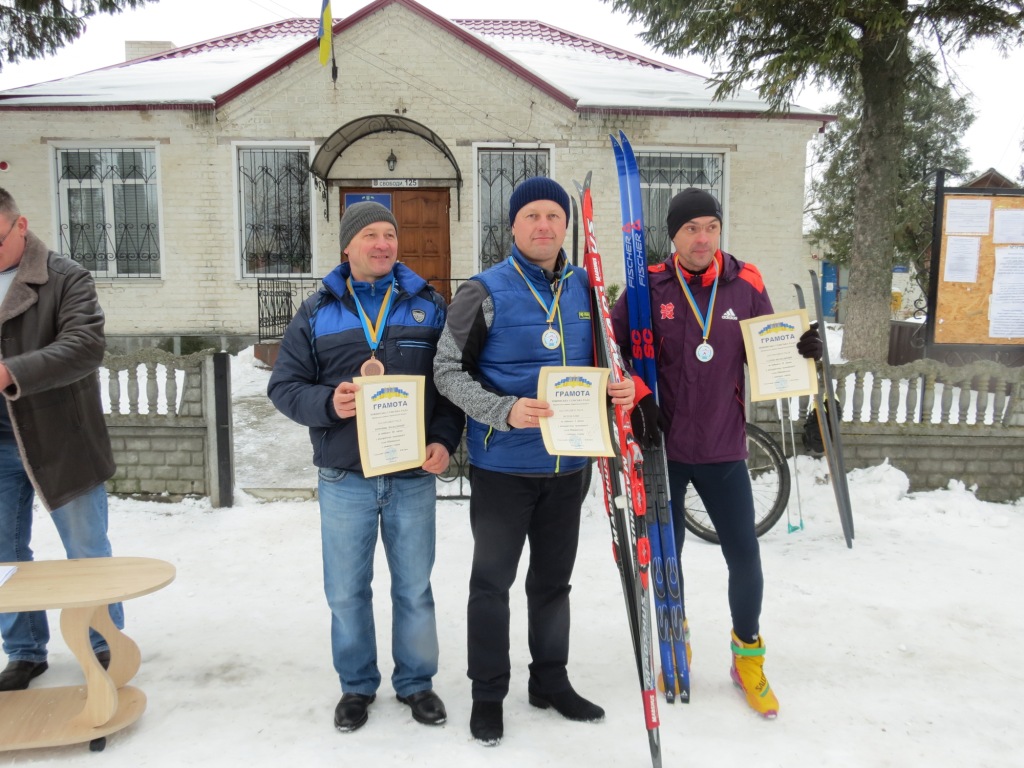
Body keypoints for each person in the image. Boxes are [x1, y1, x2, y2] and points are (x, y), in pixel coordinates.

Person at [434, 177, 636, 746]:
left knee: (553, 584)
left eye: (554, 215)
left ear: (566, 226)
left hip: (568, 468)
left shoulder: (589, 288)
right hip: (504, 469)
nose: (543, 225)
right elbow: (446, 372)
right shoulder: (484, 291)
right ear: (514, 226)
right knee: (491, 584)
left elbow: (609, 364)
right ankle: (487, 693)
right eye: (532, 216)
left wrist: (620, 389)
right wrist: (502, 410)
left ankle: (550, 680)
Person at [611, 187, 822, 719]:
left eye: (711, 226)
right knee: (668, 557)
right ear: (673, 236)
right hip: (665, 446)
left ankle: (747, 656)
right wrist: (638, 397)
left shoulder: (746, 283)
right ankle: (673, 638)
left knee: (744, 556)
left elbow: (766, 348)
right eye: (691, 229)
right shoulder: (647, 285)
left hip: (725, 446)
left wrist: (802, 353)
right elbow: (609, 349)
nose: (702, 238)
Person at [268, 201, 463, 734]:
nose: (382, 244)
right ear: (347, 246)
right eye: (370, 235)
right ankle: (356, 686)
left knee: (414, 587)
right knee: (347, 591)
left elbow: (449, 386)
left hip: (411, 477)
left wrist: (445, 441)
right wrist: (330, 404)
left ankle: (417, 683)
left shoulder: (429, 306)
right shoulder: (315, 312)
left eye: (389, 235)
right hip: (345, 478)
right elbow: (283, 387)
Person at [0, 186, 122, 691]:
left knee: (87, 549)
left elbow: (85, 346)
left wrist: (10, 372)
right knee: (5, 556)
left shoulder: (65, 277)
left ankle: (105, 645)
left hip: (61, 438)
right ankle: (25, 652)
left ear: (20, 226)